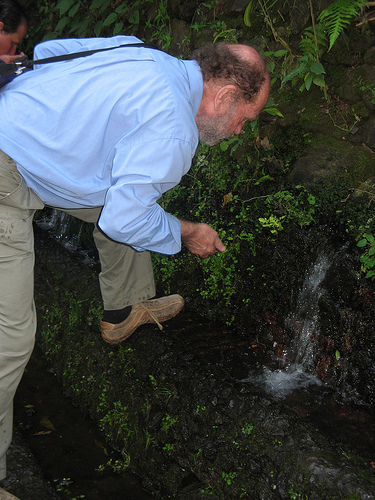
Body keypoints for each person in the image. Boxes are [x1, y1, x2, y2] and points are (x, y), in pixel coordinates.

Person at [0, 35, 270, 483]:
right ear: (224, 96)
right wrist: (187, 233)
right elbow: (126, 220)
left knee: (122, 197)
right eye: (246, 118)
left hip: (27, 137)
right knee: (11, 339)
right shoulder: (173, 130)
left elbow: (47, 54)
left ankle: (125, 307)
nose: (241, 130)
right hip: (8, 170)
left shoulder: (141, 52)